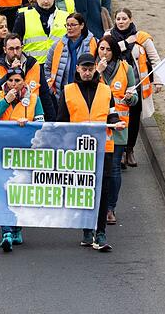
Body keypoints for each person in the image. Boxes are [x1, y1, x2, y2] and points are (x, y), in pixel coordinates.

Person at [57, 53, 125, 251]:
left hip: (103, 147)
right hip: (78, 150)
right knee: (83, 190)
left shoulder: (105, 90)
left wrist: (116, 123)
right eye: (84, 69)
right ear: (77, 69)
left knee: (102, 190)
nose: (87, 73)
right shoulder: (68, 91)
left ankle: (101, 232)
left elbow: (111, 115)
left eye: (90, 69)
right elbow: (61, 121)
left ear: (95, 69)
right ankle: (87, 229)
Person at [0, 65, 45, 251]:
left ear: (24, 82)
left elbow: (42, 124)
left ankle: (17, 227)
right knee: (3, 191)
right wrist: (5, 102)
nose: (13, 84)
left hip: (24, 152)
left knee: (19, 191)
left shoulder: (34, 99)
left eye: (17, 80)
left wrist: (29, 125)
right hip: (1, 151)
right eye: (10, 80)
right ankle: (6, 232)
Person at [108, 8, 161, 167]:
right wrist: (126, 43)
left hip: (136, 87)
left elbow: (155, 60)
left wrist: (158, 81)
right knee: (117, 118)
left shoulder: (142, 38)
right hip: (115, 89)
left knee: (134, 120)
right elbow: (106, 51)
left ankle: (129, 150)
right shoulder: (108, 37)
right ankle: (119, 150)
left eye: (124, 18)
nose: (121, 22)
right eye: (118, 19)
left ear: (131, 19)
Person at [94, 36, 137, 225]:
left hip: (118, 128)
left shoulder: (126, 69)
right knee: (95, 169)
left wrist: (130, 98)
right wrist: (97, 72)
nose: (104, 52)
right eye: (101, 49)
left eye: (108, 49)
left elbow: (134, 98)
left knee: (114, 170)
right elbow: (83, 88)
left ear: (114, 51)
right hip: (96, 126)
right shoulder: (92, 67)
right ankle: (95, 206)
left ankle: (110, 208)